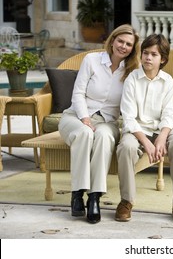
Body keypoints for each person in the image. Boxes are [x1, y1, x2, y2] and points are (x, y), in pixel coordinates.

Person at [58, 24, 140, 224]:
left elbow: (135, 102)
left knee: (103, 137)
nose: (123, 46)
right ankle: (77, 193)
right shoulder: (92, 60)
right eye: (120, 41)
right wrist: (85, 118)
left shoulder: (132, 71)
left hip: (107, 122)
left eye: (128, 44)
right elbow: (77, 92)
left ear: (132, 48)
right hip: (75, 116)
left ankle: (94, 197)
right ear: (112, 40)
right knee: (85, 133)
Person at [115, 34, 173, 223]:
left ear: (162, 59)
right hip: (136, 130)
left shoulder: (168, 81)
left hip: (160, 129)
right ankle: (126, 200)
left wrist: (161, 138)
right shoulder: (132, 79)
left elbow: (169, 114)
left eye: (154, 54)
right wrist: (146, 144)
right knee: (126, 147)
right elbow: (129, 117)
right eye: (145, 53)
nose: (148, 58)